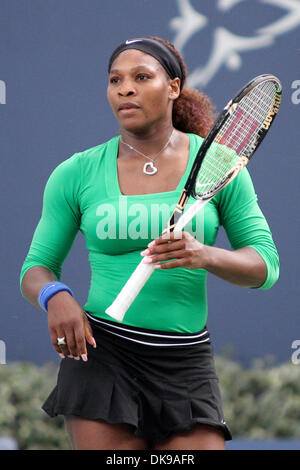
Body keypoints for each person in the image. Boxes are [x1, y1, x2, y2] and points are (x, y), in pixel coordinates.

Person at [20, 36, 279, 450]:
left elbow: (265, 267)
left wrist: (204, 255)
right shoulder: (75, 172)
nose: (125, 88)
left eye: (142, 77)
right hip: (101, 355)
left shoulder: (223, 166)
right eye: (115, 80)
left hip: (186, 363)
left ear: (173, 87)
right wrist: (56, 296)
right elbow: (35, 267)